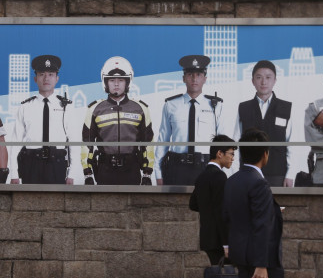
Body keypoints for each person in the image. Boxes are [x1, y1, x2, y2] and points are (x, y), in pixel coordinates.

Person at [223, 128, 303, 278]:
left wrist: (229, 248)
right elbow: (261, 225)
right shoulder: (258, 183)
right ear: (265, 155)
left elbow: (229, 218)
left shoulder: (234, 180)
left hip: (243, 255)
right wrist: (262, 264)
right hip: (262, 260)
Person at [82, 56, 154, 185]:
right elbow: (87, 143)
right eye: (112, 80)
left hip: (132, 169)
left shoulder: (141, 108)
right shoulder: (94, 109)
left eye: (121, 80)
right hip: (104, 170)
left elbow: (147, 143)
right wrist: (88, 173)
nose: (116, 84)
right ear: (105, 82)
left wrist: (147, 173)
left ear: (128, 82)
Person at [156, 55, 226, 186]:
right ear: (183, 78)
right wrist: (158, 174)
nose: (194, 79)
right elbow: (163, 141)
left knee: (205, 206)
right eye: (190, 74)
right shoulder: (171, 105)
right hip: (177, 168)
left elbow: (223, 142)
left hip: (206, 167)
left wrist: (225, 172)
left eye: (199, 74)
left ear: (205, 78)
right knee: (174, 206)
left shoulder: (216, 106)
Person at [9, 55, 79, 185]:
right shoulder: (25, 107)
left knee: (57, 204)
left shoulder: (67, 107)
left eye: (51, 74)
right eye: (42, 74)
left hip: (56, 165)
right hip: (31, 165)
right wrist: (14, 174)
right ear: (35, 79)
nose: (46, 78)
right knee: (29, 203)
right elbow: (15, 142)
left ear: (57, 78)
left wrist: (72, 174)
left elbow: (74, 143)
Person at [234, 60, 293, 187]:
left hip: (278, 174)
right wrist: (235, 172)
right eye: (259, 77)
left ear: (275, 80)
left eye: (268, 77)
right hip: (248, 173)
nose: (263, 82)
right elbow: (236, 143)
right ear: (252, 81)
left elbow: (292, 144)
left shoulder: (286, 108)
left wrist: (290, 174)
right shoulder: (244, 108)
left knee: (278, 207)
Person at [189, 135, 236, 265]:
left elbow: (193, 204)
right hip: (219, 241)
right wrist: (226, 244)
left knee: (219, 277)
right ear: (219, 153)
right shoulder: (220, 176)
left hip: (207, 239)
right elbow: (222, 212)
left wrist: (207, 209)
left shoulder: (202, 176)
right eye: (231, 154)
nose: (233, 158)